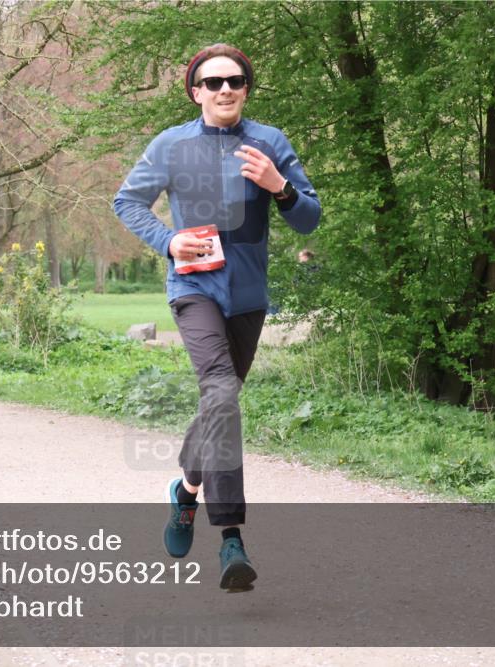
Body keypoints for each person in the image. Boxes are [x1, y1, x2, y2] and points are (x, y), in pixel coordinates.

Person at [114, 44, 321, 590]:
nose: (224, 89)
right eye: (212, 82)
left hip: (248, 298)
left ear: (246, 88)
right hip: (194, 289)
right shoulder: (172, 145)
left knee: (218, 401)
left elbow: (309, 219)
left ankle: (184, 491)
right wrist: (168, 240)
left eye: (235, 80)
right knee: (222, 394)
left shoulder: (269, 142)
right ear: (195, 91)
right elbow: (127, 201)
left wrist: (281, 187)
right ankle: (231, 538)